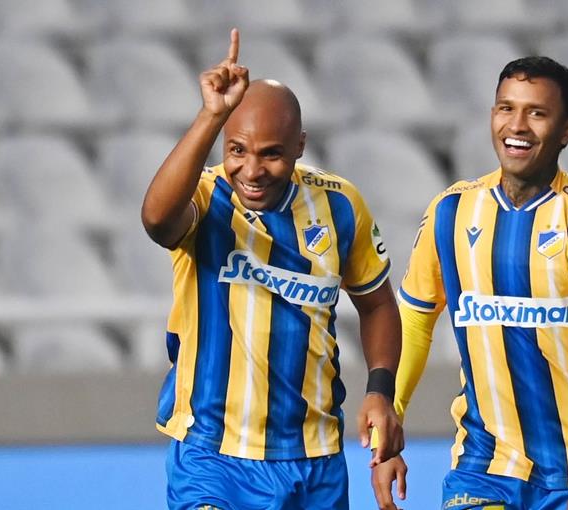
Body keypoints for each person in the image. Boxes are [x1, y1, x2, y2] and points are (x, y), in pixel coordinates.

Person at [141, 29, 404, 509]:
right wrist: (211, 115)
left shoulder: (339, 206)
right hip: (212, 455)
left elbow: (378, 304)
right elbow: (157, 220)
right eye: (237, 150)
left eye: (271, 154)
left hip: (314, 457)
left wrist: (381, 391)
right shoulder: (204, 196)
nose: (252, 171)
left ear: (299, 145)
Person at [371, 56, 568, 510]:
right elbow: (413, 325)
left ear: (567, 130)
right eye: (505, 108)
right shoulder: (450, 212)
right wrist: (388, 432)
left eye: (537, 113)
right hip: (482, 466)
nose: (516, 125)